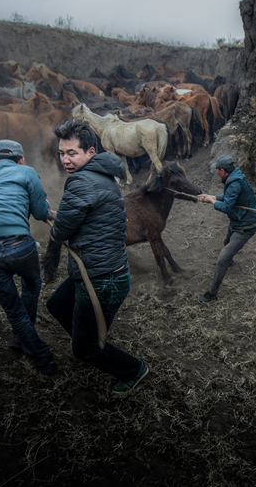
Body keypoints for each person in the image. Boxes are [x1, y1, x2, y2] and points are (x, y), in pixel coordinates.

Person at [46, 120, 149, 392]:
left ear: (90, 152)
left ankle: (133, 369)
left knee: (84, 349)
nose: (65, 159)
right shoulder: (103, 175)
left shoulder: (80, 181)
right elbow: (88, 215)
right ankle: (87, 335)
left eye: (72, 153)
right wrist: (63, 216)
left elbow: (61, 231)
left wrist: (56, 222)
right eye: (61, 153)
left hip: (99, 279)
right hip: (104, 270)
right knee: (57, 305)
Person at [0, 139, 57, 376]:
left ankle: (21, 338)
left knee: (14, 311)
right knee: (32, 284)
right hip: (18, 245)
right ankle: (41, 357)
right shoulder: (27, 172)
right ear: (21, 159)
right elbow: (41, 212)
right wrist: (46, 207)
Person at [196, 154, 256, 304]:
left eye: (217, 169)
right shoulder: (234, 178)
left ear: (223, 170)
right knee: (227, 241)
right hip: (238, 221)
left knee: (222, 259)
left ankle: (211, 294)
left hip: (245, 226)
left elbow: (226, 207)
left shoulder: (235, 183)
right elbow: (229, 197)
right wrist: (211, 196)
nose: (216, 172)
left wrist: (212, 201)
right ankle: (229, 262)